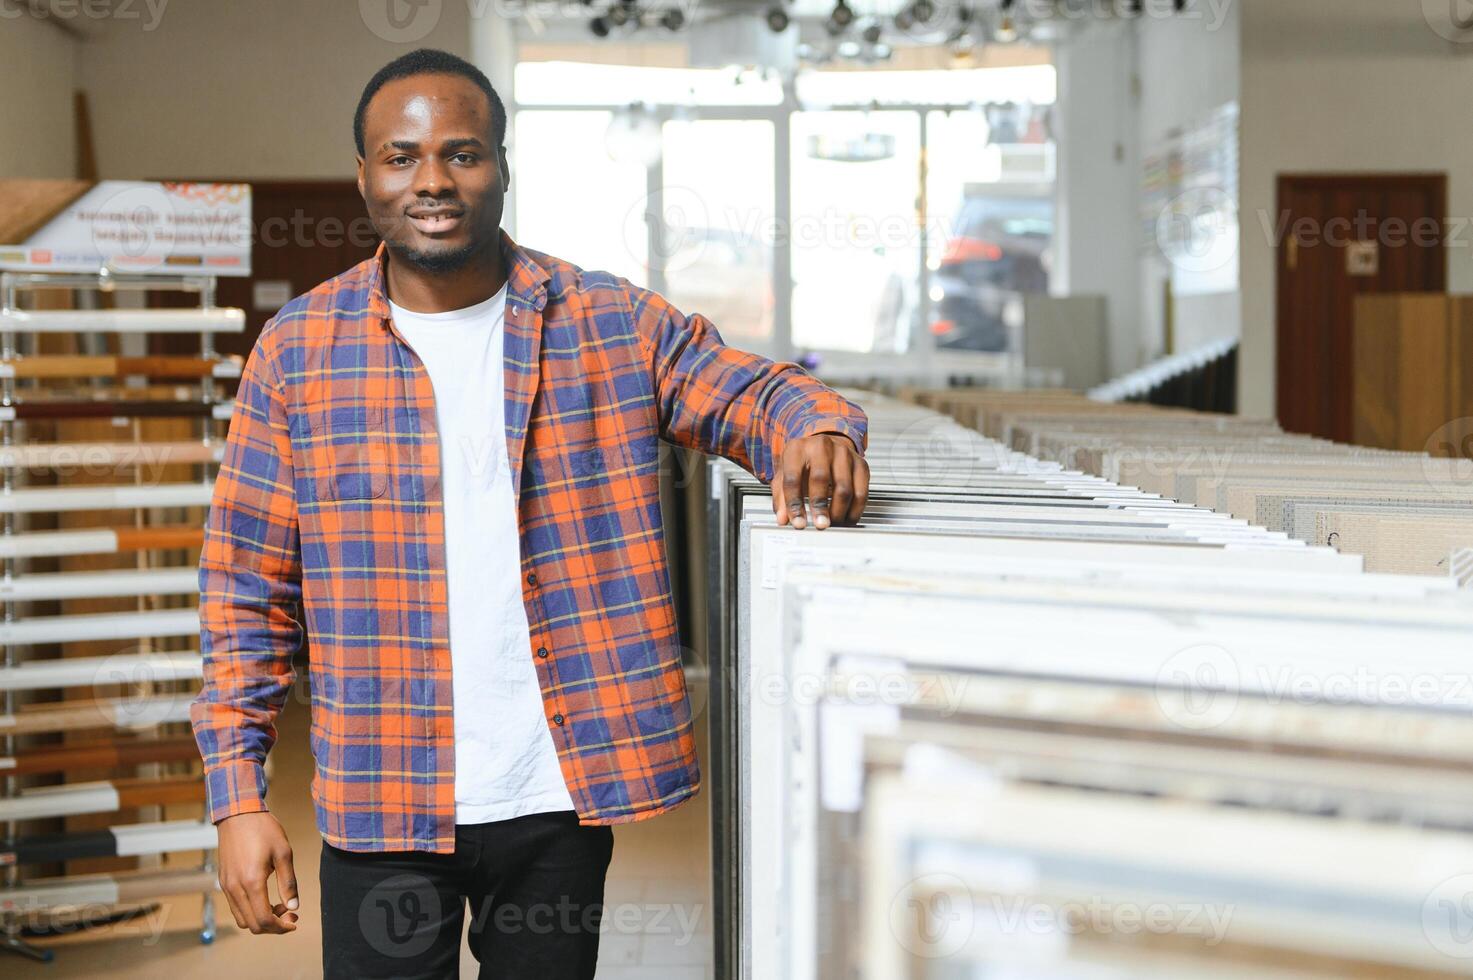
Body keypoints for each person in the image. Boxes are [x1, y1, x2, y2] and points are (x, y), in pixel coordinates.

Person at [190, 48, 870, 979]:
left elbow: (755, 390)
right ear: (364, 175)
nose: (432, 180)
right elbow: (243, 590)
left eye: (462, 154)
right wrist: (238, 797)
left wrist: (820, 428)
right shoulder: (298, 351)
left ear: (503, 167)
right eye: (401, 157)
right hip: (382, 796)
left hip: (555, 796)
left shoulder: (607, 323)